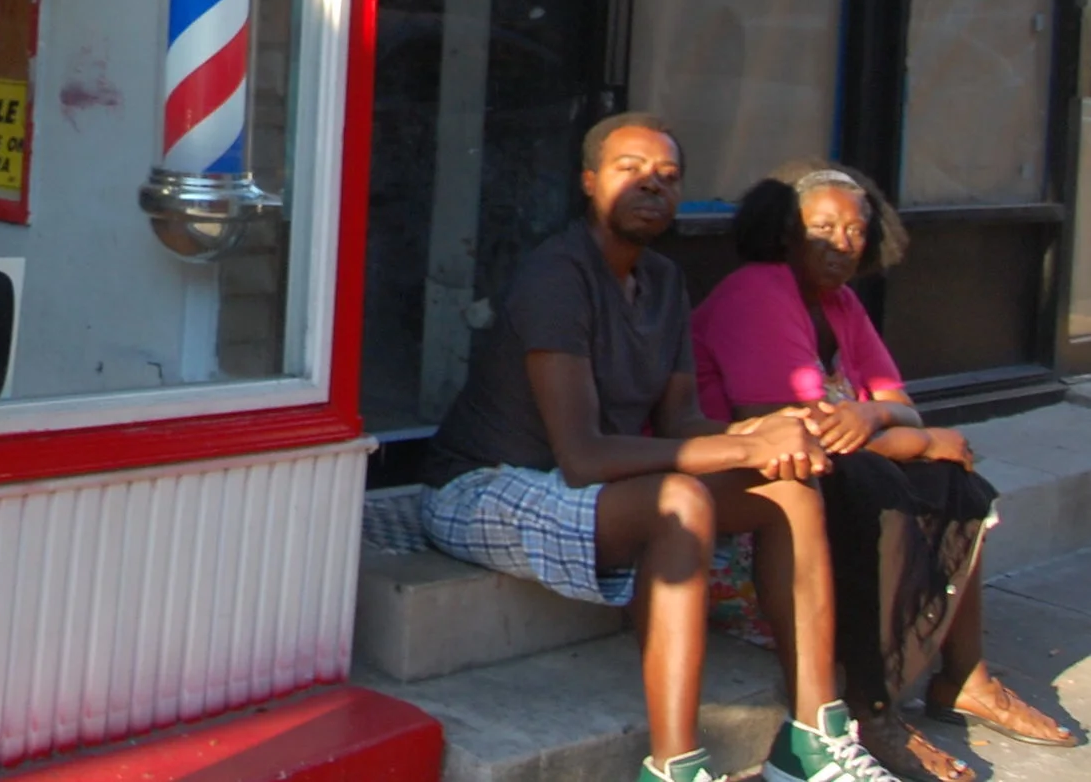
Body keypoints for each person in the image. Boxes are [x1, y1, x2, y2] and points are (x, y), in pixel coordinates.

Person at [420, 112, 891, 782]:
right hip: (483, 485)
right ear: (589, 181)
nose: (651, 185)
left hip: (586, 488)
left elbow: (680, 423)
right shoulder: (557, 276)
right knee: (680, 502)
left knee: (790, 489)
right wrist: (742, 451)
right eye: (630, 169)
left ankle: (813, 739)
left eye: (668, 176)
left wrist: (761, 434)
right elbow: (583, 456)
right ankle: (674, 767)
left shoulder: (665, 281)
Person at [693, 165, 1082, 780]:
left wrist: (875, 414)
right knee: (878, 483)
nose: (841, 244)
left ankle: (965, 678)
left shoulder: (841, 304)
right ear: (786, 232)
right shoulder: (759, 292)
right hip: (755, 539)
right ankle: (871, 709)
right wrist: (921, 440)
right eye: (822, 228)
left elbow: (899, 405)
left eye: (855, 230)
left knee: (955, 481)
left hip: (824, 492)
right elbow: (806, 439)